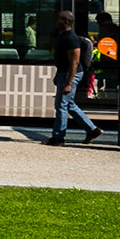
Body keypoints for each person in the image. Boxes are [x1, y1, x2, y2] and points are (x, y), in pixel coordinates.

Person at [45, 10, 102, 146]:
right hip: (64, 73)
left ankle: (58, 138)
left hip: (71, 74)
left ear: (66, 21)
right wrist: (58, 75)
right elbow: (62, 60)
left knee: (61, 105)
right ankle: (92, 130)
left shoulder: (71, 38)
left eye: (58, 19)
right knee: (69, 104)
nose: (55, 21)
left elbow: (74, 63)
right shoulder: (62, 36)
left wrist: (68, 83)